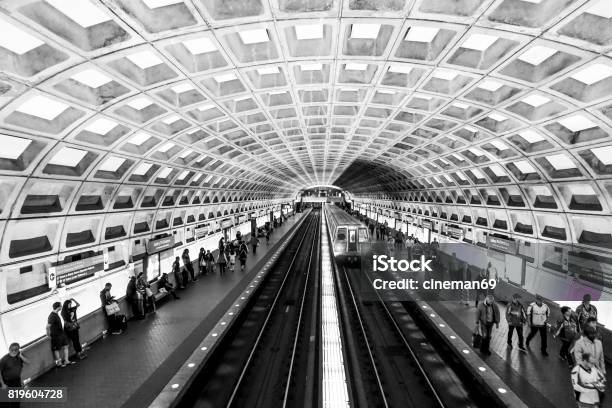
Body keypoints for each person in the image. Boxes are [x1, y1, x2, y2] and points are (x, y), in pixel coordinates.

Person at [0, 343, 29, 407]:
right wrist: (2, 384)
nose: (13, 351)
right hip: (7, 382)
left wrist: (21, 356)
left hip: (16, 381)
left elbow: (28, 362)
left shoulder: (19, 357)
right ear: (9, 349)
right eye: (12, 349)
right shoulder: (4, 359)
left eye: (16, 350)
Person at [47, 302, 73, 367]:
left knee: (66, 346)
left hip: (61, 333)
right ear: (58, 307)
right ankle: (59, 363)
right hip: (56, 335)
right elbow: (48, 326)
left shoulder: (56, 314)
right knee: (57, 349)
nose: (61, 307)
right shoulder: (52, 316)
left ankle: (66, 361)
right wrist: (48, 334)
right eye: (61, 306)